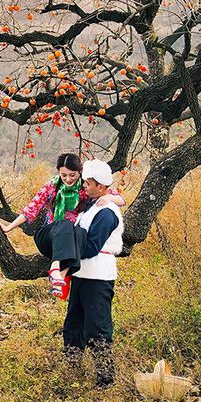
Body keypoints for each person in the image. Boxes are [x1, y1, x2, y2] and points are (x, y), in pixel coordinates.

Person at [0, 154, 125, 295]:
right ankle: (56, 268)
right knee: (65, 224)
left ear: (79, 173)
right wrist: (8, 228)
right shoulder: (52, 186)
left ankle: (59, 279)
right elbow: (30, 210)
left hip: (70, 240)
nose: (68, 179)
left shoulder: (86, 186)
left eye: (72, 175)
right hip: (49, 236)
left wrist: (109, 197)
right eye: (64, 175)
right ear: (58, 172)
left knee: (80, 233)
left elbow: (120, 199)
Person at [64, 159, 124, 389]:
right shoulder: (91, 206)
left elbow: (91, 246)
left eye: (88, 183)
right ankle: (72, 368)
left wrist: (66, 253)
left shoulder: (108, 213)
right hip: (82, 275)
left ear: (100, 185)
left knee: (96, 327)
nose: (84, 187)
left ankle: (105, 378)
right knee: (73, 324)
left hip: (98, 276)